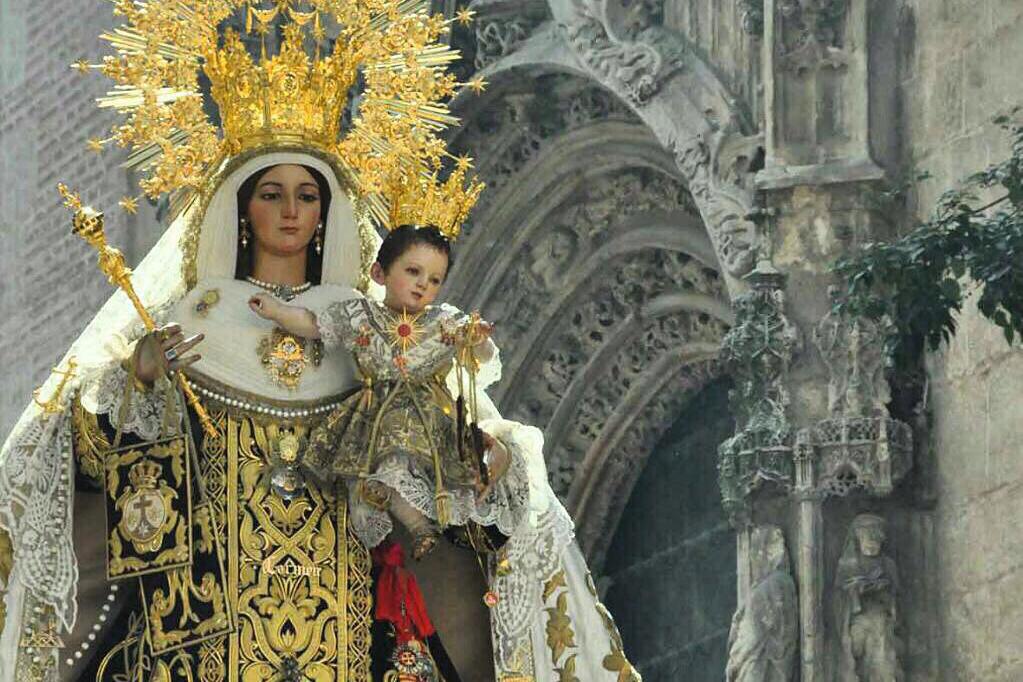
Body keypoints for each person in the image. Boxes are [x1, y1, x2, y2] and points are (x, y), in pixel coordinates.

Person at [0, 3, 640, 681]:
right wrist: (142, 375)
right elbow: (82, 461)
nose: (289, 211)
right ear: (241, 206)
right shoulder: (195, 316)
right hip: (207, 631)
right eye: (270, 193)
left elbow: (453, 440)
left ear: (327, 209)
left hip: (350, 625)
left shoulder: (368, 327)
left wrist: (491, 455)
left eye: (306, 195)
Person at [249, 224, 508, 560]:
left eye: (434, 280)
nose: (422, 285)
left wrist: (478, 339)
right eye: (413, 271)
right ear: (379, 272)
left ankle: (440, 524)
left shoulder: (445, 322)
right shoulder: (361, 317)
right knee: (370, 468)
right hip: (374, 411)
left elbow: (481, 356)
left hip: (428, 417)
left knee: (425, 461)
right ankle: (414, 524)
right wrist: (278, 312)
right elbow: (314, 324)